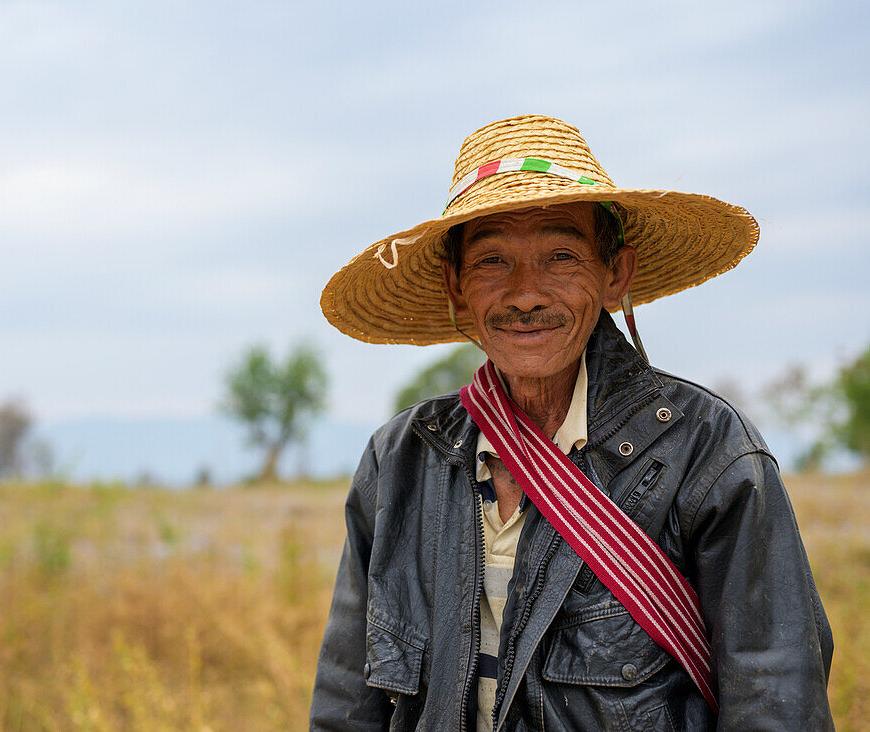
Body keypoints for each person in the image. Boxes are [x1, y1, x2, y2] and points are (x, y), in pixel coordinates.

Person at [310, 115, 833, 730]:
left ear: (615, 274)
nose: (526, 293)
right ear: (457, 291)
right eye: (492, 261)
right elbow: (348, 703)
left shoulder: (708, 452)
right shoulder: (401, 459)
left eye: (560, 256)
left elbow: (777, 700)